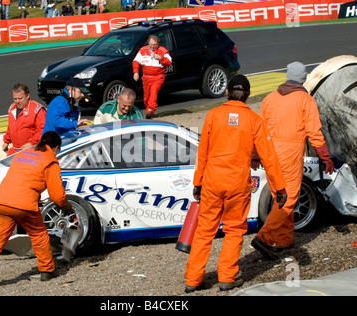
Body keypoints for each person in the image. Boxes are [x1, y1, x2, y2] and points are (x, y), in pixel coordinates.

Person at [184, 74, 287, 293]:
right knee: (233, 231)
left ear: (227, 92)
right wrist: (279, 187)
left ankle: (193, 280)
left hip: (212, 181)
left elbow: (203, 152)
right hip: (237, 183)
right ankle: (227, 277)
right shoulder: (254, 120)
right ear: (248, 95)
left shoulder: (213, 115)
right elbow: (269, 156)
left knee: (204, 231)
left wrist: (198, 182)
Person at [0, 131, 70, 294]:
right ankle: (47, 271)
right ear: (55, 148)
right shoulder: (50, 161)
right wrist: (65, 206)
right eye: (58, 151)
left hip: (1, 201)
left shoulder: (23, 154)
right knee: (39, 235)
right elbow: (57, 195)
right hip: (24, 205)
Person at [251, 61, 334, 260]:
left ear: (287, 76)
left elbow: (259, 130)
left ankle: (283, 240)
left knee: (278, 199)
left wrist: (255, 154)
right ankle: (264, 237)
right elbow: (314, 132)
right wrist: (324, 157)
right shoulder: (305, 100)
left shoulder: (270, 98)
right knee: (288, 200)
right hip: (289, 155)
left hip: (270, 154)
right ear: (303, 79)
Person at [133, 35, 172, 119]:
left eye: (154, 44)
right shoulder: (143, 50)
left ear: (158, 44)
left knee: (153, 93)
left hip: (158, 77)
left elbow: (169, 62)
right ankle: (149, 113)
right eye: (151, 44)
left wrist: (160, 58)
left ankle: (150, 110)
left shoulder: (163, 51)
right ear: (148, 43)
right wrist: (136, 72)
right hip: (146, 77)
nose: (152, 46)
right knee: (146, 97)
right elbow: (136, 61)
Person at [3, 83, 47, 156]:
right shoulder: (12, 109)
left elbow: (42, 130)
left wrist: (31, 143)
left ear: (27, 96)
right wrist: (6, 141)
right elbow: (10, 127)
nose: (17, 101)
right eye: (15, 99)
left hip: (32, 151)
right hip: (15, 151)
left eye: (20, 98)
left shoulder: (37, 110)